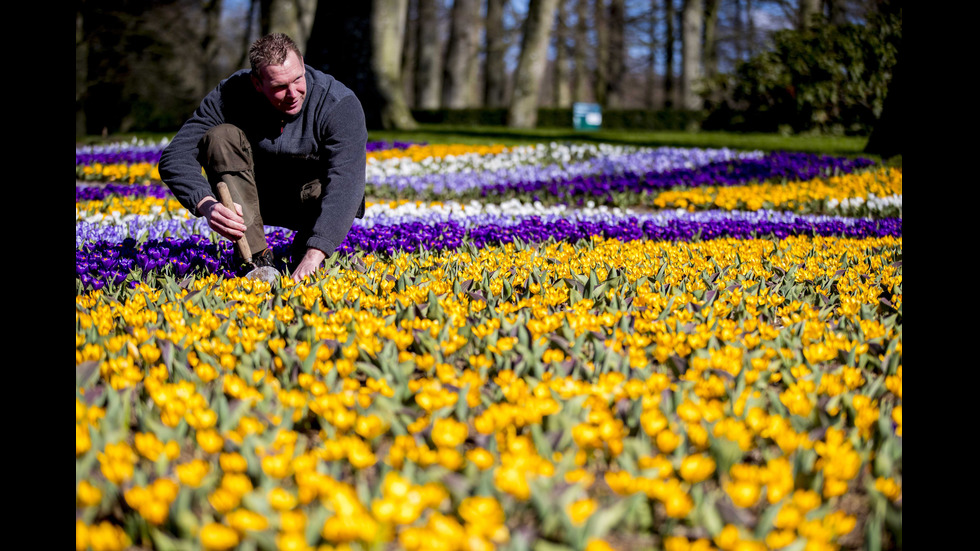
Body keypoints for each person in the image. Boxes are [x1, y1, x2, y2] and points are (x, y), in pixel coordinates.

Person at [159, 33, 368, 281]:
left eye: (298, 79)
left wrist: (316, 252)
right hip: (251, 200)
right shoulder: (231, 95)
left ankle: (308, 250)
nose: (293, 93)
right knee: (219, 137)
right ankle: (256, 261)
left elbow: (346, 184)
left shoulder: (338, 104)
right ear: (257, 83)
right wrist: (206, 205)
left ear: (302, 63)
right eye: (280, 87)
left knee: (309, 259)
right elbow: (175, 156)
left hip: (312, 202)